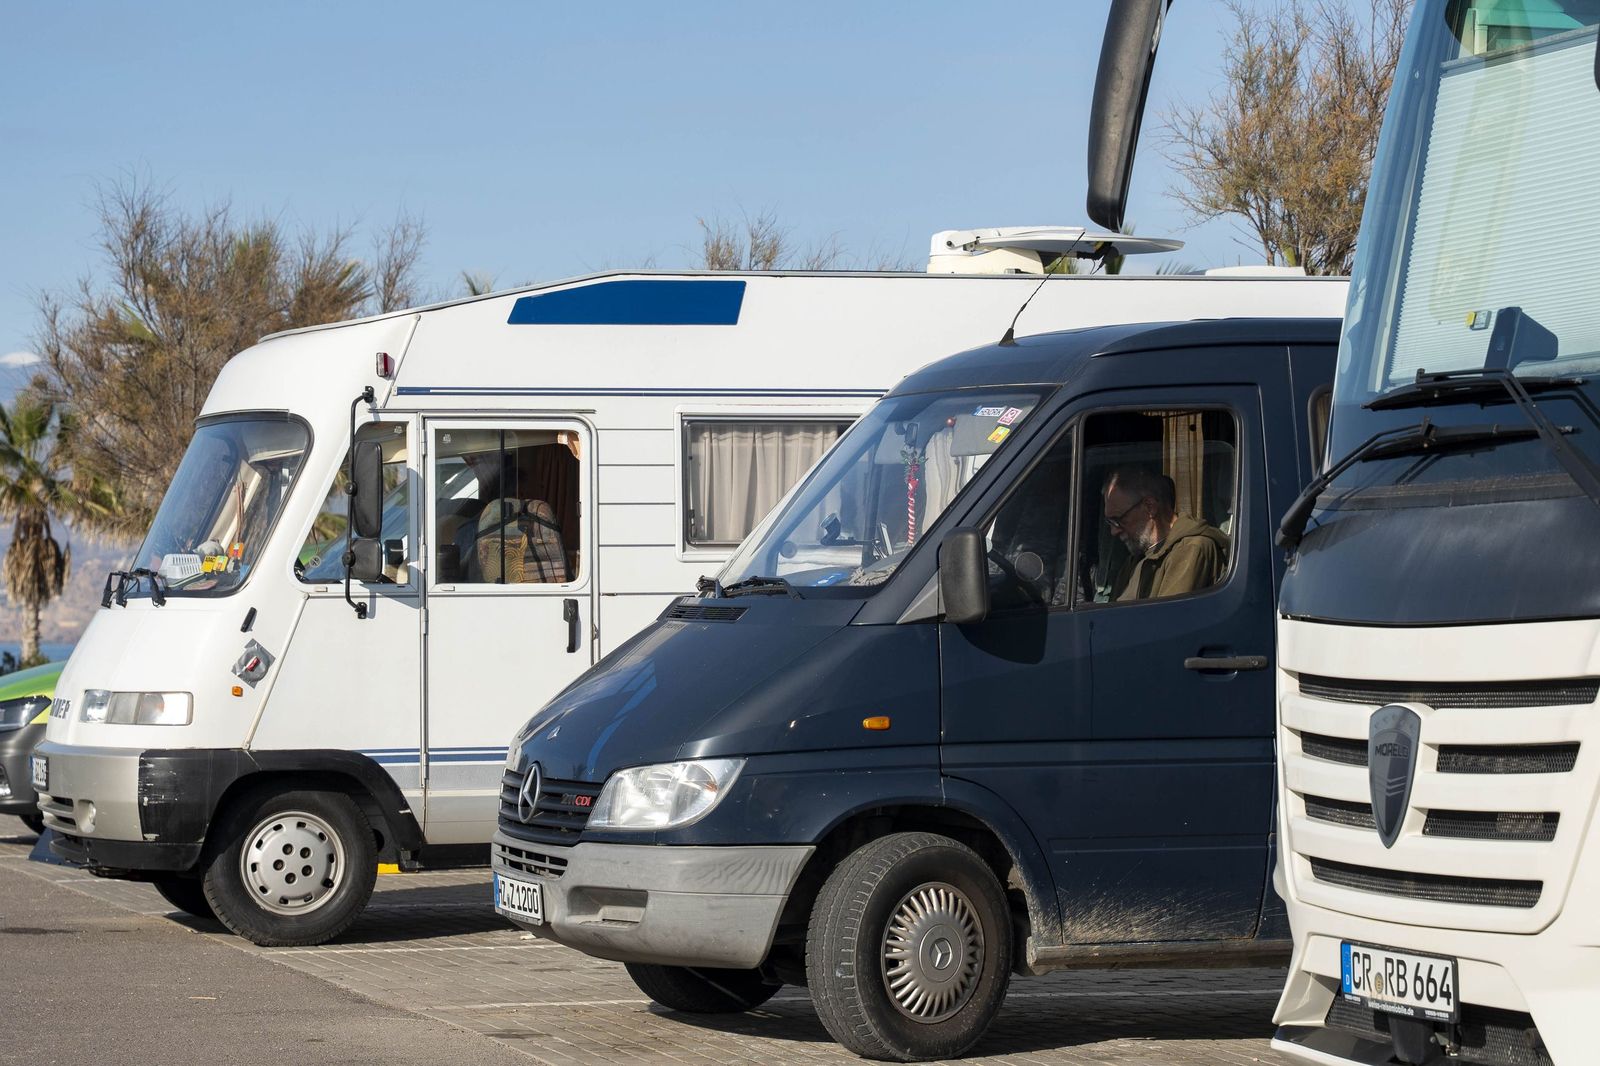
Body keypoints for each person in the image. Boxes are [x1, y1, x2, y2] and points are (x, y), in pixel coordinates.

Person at [1102, 466, 1229, 602]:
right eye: (1110, 522)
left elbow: (1165, 619)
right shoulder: (1136, 559)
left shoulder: (1192, 548)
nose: (1114, 531)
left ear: (1150, 507)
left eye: (1119, 519)